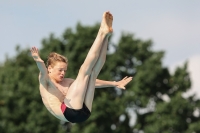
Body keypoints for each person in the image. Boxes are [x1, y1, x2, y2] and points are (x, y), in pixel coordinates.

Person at [30, 11, 132, 123]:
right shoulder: (45, 81)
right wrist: (37, 60)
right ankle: (101, 32)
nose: (63, 73)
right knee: (84, 71)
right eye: (60, 70)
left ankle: (106, 36)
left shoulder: (67, 82)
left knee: (91, 75)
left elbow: (90, 83)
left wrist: (115, 83)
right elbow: (42, 70)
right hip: (70, 112)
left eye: (64, 70)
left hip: (84, 113)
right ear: (50, 68)